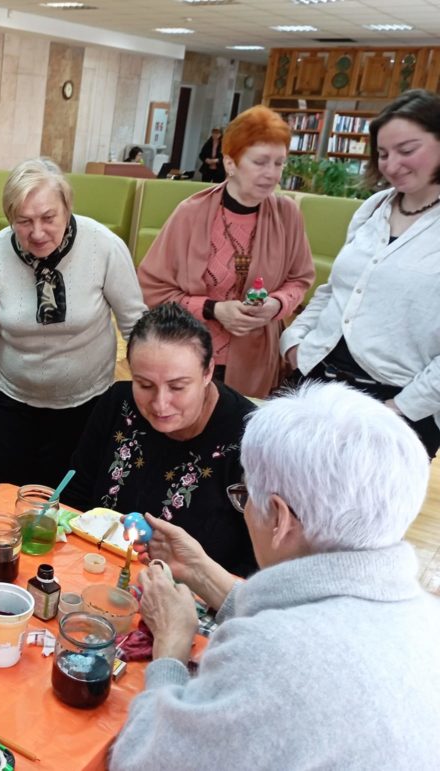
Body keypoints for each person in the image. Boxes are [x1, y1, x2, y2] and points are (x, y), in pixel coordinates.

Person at [109, 382, 440, 769]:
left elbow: (143, 760)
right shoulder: (426, 617)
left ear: (280, 517)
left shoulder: (271, 656)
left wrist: (171, 648)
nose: (246, 507)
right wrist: (200, 571)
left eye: (246, 495)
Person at [0, 157, 146, 493]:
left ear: (67, 207)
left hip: (86, 405)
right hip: (11, 403)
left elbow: (135, 325)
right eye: (24, 221)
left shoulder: (103, 247)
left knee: (69, 506)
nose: (37, 232)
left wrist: (147, 395)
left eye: (48, 218)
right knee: (0, 500)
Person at [281, 89, 440, 459]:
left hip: (396, 403)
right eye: (383, 153)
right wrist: (294, 340)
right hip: (319, 383)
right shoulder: (373, 208)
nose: (391, 164)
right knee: (291, 500)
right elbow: (337, 288)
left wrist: (401, 408)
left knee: (362, 512)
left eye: (407, 150)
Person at [63, 304, 256, 577]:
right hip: (91, 573)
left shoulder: (251, 440)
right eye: (144, 384)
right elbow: (75, 497)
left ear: (208, 372)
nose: (160, 404)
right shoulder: (118, 404)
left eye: (177, 387)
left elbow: (256, 563)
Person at [138, 105, 315, 397]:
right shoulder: (190, 213)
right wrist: (214, 309)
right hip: (191, 352)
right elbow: (152, 288)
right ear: (231, 163)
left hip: (257, 355)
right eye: (260, 162)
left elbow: (300, 279)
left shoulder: (288, 214)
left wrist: (276, 304)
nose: (271, 174)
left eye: (279, 163)